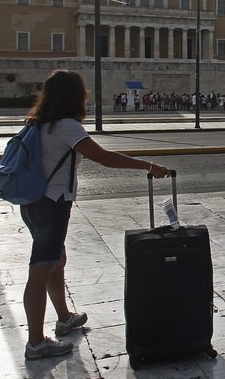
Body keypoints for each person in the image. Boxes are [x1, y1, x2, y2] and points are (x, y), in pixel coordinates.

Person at [20, 69, 170, 361]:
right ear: (75, 96)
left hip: (33, 202)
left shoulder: (37, 123)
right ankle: (36, 343)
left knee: (55, 260)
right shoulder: (67, 127)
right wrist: (147, 165)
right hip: (52, 204)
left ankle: (64, 317)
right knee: (41, 269)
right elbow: (104, 157)